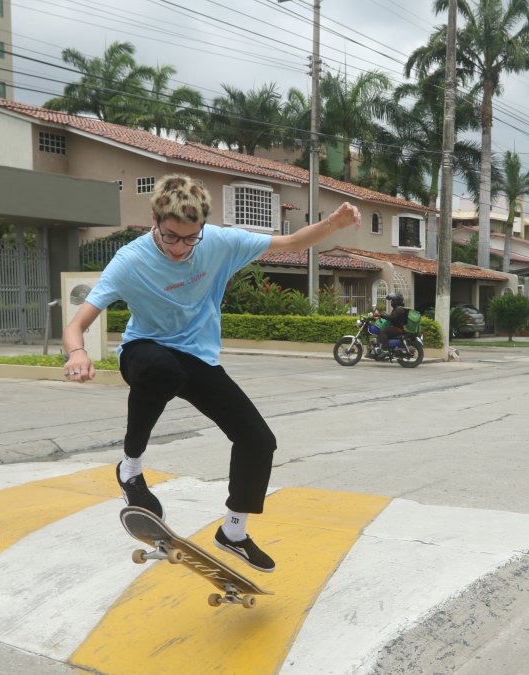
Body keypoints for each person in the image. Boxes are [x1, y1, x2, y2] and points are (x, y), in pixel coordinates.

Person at [61, 174, 360, 573]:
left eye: (190, 239)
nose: (181, 249)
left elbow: (291, 244)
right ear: (154, 220)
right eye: (171, 237)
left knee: (259, 440)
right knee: (163, 369)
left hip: (198, 358)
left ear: (202, 228)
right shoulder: (130, 261)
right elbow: (75, 325)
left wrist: (333, 225)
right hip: (144, 352)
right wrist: (77, 354)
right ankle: (130, 469)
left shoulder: (219, 241)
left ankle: (233, 532)